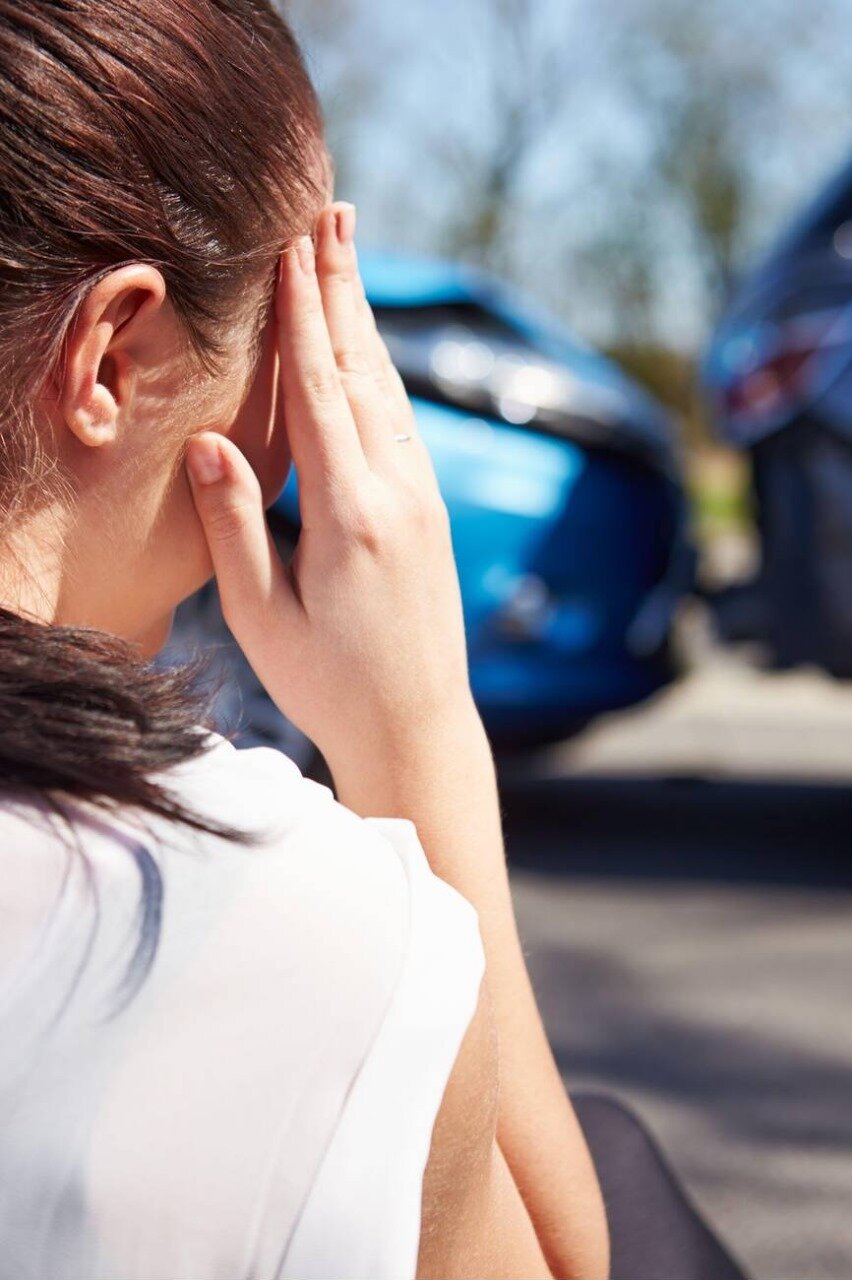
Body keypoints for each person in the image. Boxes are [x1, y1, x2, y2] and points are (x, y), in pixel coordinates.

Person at [0, 3, 749, 1278]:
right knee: (612, 1174)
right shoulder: (269, 917)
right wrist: (414, 732)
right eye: (296, 329)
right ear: (113, 360)